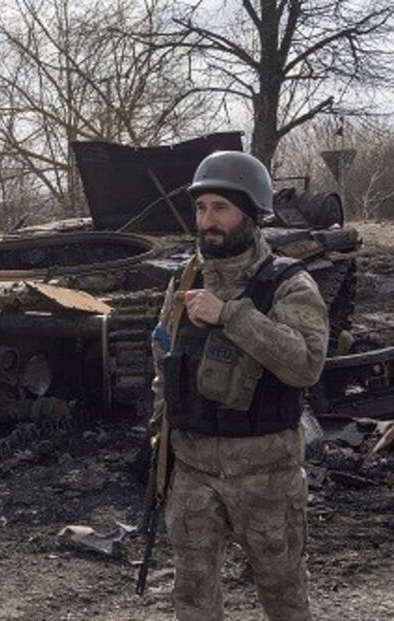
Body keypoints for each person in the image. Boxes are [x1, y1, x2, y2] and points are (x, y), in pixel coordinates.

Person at [150, 151, 329, 620]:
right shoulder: (186, 279)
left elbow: (306, 365)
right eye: (201, 208)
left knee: (284, 597)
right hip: (193, 469)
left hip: (266, 475)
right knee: (192, 599)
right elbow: (164, 359)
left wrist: (230, 315)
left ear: (252, 214)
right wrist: (160, 433)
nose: (207, 221)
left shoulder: (288, 284)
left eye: (221, 208)